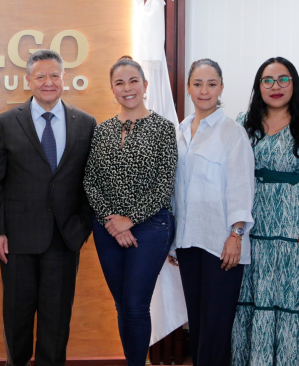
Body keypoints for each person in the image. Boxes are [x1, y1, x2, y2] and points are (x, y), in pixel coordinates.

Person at [0, 49, 97, 366]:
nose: (48, 82)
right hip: (17, 239)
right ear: (28, 81)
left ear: (64, 79)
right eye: (41, 76)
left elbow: (92, 181)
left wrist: (83, 225)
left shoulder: (85, 123)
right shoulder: (6, 122)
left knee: (57, 320)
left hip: (65, 237)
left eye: (54, 76)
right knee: (17, 318)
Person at [231, 57, 299, 366]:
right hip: (255, 228)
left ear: (295, 83)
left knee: (295, 299)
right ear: (258, 86)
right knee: (255, 299)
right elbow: (233, 175)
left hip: (297, 230)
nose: (275, 86)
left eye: (283, 79)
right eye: (267, 80)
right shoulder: (242, 122)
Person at [83, 56, 177, 366]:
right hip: (107, 228)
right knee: (122, 305)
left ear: (145, 85)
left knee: (136, 305)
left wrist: (129, 220)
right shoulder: (103, 130)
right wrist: (113, 222)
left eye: (133, 81)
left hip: (151, 227)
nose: (127, 88)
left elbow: (165, 184)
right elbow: (90, 181)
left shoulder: (163, 129)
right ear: (112, 89)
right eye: (120, 83)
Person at [167, 58, 254, 366]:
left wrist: (236, 234)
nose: (205, 91)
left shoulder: (232, 133)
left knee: (216, 327)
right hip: (189, 242)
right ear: (188, 87)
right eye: (198, 84)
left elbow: (242, 188)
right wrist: (173, 240)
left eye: (212, 84)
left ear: (221, 88)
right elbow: (176, 190)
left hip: (222, 243)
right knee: (200, 324)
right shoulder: (179, 131)